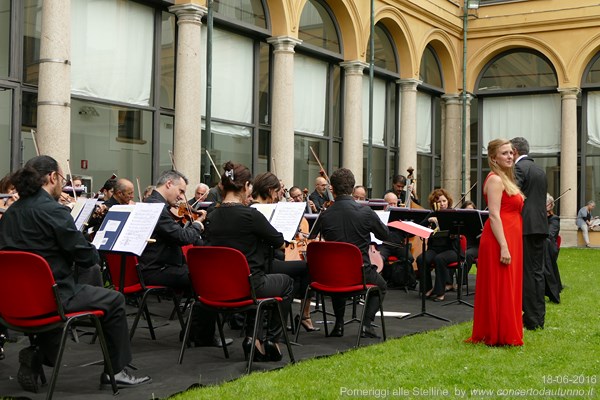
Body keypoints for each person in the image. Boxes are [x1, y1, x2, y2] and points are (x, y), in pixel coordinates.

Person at [0, 155, 151, 391]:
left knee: (65, 305)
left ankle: (38, 353)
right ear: (52, 177)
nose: (62, 184)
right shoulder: (54, 211)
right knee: (115, 299)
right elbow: (86, 258)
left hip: (15, 302)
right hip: (55, 297)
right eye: (61, 178)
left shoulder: (10, 213)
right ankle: (116, 371)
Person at [204, 162, 294, 362]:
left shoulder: (211, 215)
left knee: (255, 279)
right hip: (248, 286)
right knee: (286, 283)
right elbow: (279, 243)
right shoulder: (251, 216)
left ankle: (253, 338)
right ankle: (271, 340)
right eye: (250, 187)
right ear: (245, 186)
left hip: (218, 287)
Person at [138, 170, 228, 347]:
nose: (181, 197)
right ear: (169, 184)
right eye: (180, 191)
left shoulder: (152, 203)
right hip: (157, 269)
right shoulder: (156, 207)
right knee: (207, 280)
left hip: (156, 266)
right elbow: (182, 237)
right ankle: (200, 335)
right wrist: (197, 225)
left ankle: (195, 333)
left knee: (203, 278)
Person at [311, 168, 389, 338]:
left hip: (331, 275)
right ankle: (366, 325)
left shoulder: (325, 215)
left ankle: (338, 325)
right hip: (360, 274)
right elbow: (384, 235)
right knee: (381, 286)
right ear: (353, 189)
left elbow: (312, 237)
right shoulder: (366, 212)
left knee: (339, 275)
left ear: (332, 188)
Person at [467, 139, 524, 346]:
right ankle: (499, 333)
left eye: (511, 152)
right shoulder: (495, 180)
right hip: (500, 239)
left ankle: (505, 330)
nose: (510, 156)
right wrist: (504, 246)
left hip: (510, 238)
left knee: (508, 285)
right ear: (493, 158)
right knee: (501, 285)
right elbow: (493, 215)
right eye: (504, 153)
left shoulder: (505, 179)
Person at [251, 172, 318, 332]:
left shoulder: (250, 209)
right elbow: (280, 243)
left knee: (294, 270)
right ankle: (296, 316)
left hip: (256, 264)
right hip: (262, 266)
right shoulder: (261, 212)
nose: (277, 196)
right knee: (305, 269)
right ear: (269, 190)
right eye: (276, 192)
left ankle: (284, 314)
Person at [510, 136, 547, 331]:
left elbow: (513, 195)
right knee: (537, 272)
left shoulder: (519, 169)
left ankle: (531, 319)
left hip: (525, 226)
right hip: (540, 226)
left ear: (515, 151)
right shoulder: (539, 169)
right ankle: (538, 317)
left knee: (527, 273)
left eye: (509, 151)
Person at [416, 188, 460, 302]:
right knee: (421, 259)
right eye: (439, 202)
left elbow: (459, 232)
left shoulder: (453, 214)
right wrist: (429, 221)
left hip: (452, 250)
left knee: (439, 259)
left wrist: (452, 233)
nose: (442, 204)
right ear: (434, 203)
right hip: (435, 248)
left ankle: (440, 292)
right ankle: (427, 288)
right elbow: (420, 227)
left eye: (444, 201)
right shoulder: (432, 214)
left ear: (448, 201)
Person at [544, 194, 562, 303]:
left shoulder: (554, 219)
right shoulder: (539, 216)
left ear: (549, 206)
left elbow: (550, 235)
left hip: (550, 247)